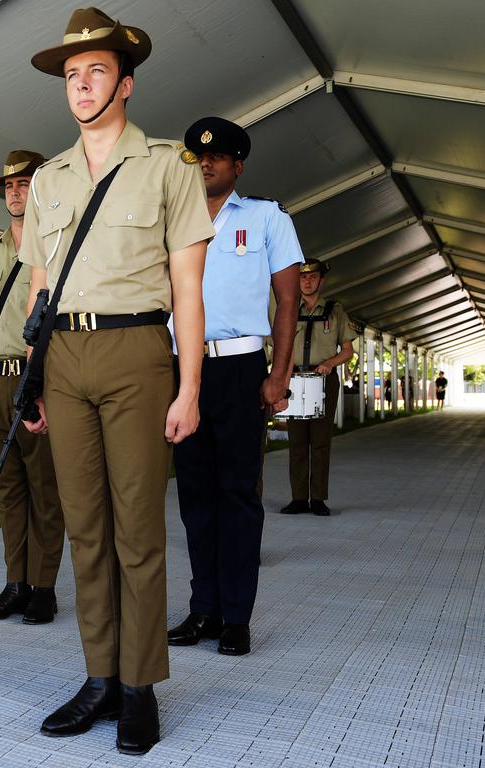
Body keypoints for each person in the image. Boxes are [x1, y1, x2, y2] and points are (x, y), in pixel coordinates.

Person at [19, 8, 213, 754]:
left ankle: (139, 687)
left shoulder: (169, 165)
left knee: (137, 528)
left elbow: (187, 290)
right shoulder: (47, 179)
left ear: (125, 84)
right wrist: (35, 379)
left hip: (137, 352)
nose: (82, 85)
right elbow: (41, 286)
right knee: (84, 528)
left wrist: (188, 387)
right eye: (72, 75)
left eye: (96, 71)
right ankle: (99, 677)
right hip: (63, 359)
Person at [167, 117, 302, 659]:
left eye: (218, 156)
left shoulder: (267, 217)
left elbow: (288, 300)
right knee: (195, 495)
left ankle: (237, 618)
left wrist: (280, 374)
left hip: (241, 368)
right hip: (183, 371)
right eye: (199, 156)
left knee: (238, 495)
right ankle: (203, 609)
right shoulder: (174, 218)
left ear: (237, 164)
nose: (206, 163)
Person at [0, 149, 65, 624]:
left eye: (23, 183)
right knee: (7, 486)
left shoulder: (57, 245)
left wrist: (46, 380)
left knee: (45, 486)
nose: (14, 192)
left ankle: (44, 586)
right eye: (8, 186)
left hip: (38, 378)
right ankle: (15, 582)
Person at [282, 259, 356, 516]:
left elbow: (348, 351)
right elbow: (279, 346)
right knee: (297, 442)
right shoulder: (288, 309)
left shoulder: (335, 310)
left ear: (321, 281)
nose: (307, 281)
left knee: (321, 441)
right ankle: (299, 498)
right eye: (303, 277)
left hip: (324, 380)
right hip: (295, 379)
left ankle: (318, 499)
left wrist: (329, 363)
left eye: (313, 277)